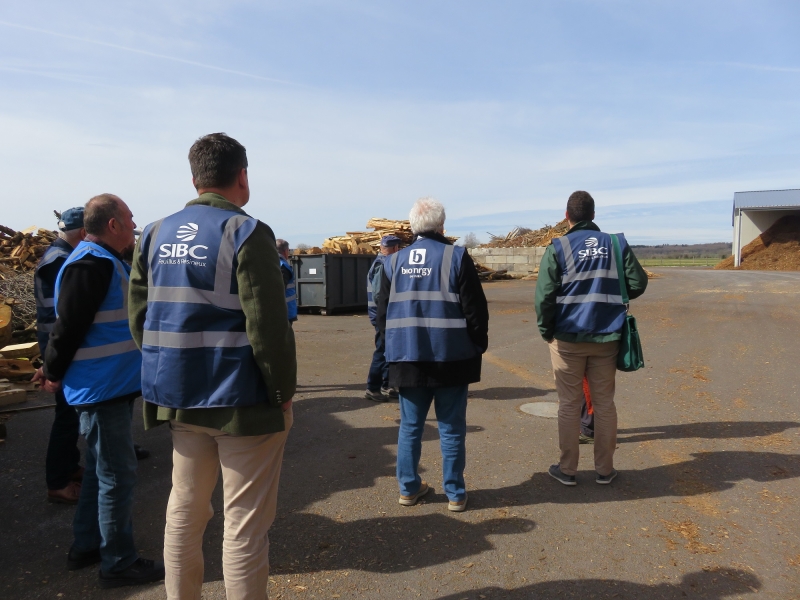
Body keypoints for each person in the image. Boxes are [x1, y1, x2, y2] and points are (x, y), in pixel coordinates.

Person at [129, 132, 296, 599]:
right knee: (243, 527)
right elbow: (268, 326)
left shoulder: (155, 233)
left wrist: (170, 368)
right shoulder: (246, 231)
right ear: (242, 176)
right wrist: (282, 394)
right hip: (241, 403)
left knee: (184, 512)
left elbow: (139, 317)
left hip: (179, 400)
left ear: (195, 178)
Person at [32, 194, 164, 587]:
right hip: (100, 389)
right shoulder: (90, 263)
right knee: (117, 476)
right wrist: (52, 370)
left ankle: (87, 546)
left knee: (99, 474)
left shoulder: (102, 261)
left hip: (109, 386)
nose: (133, 224)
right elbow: (68, 325)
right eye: (129, 218)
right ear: (112, 225)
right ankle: (118, 561)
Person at [377, 197, 489, 512]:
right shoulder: (456, 256)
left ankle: (409, 489)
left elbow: (382, 315)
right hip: (453, 358)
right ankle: (455, 493)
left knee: (411, 427)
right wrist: (477, 345)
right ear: (442, 226)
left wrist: (392, 348)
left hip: (407, 358)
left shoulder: (393, 262)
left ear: (413, 227)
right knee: (451, 427)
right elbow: (475, 310)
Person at [534, 190, 647, 486]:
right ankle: (605, 470)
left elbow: (545, 295)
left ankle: (568, 470)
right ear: (594, 215)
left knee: (569, 404)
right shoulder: (615, 243)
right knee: (605, 403)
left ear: (567, 216)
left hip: (567, 338)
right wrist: (614, 295)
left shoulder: (558, 247)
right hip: (607, 336)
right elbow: (637, 282)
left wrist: (546, 330)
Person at [35, 208, 85, 504]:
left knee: (70, 413)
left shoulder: (56, 255)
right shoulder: (62, 261)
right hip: (57, 346)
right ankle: (57, 482)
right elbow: (64, 320)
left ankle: (70, 466)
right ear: (82, 234)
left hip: (54, 345)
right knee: (66, 416)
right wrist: (54, 364)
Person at [365, 234, 401, 402]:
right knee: (381, 351)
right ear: (394, 249)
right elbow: (380, 294)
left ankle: (388, 386)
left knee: (388, 350)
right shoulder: (383, 265)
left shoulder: (382, 262)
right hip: (383, 316)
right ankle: (373, 388)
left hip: (383, 315)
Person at [276, 239, 298, 325]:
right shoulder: (283, 266)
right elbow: (280, 289)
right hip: (285, 312)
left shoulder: (272, 264)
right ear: (285, 251)